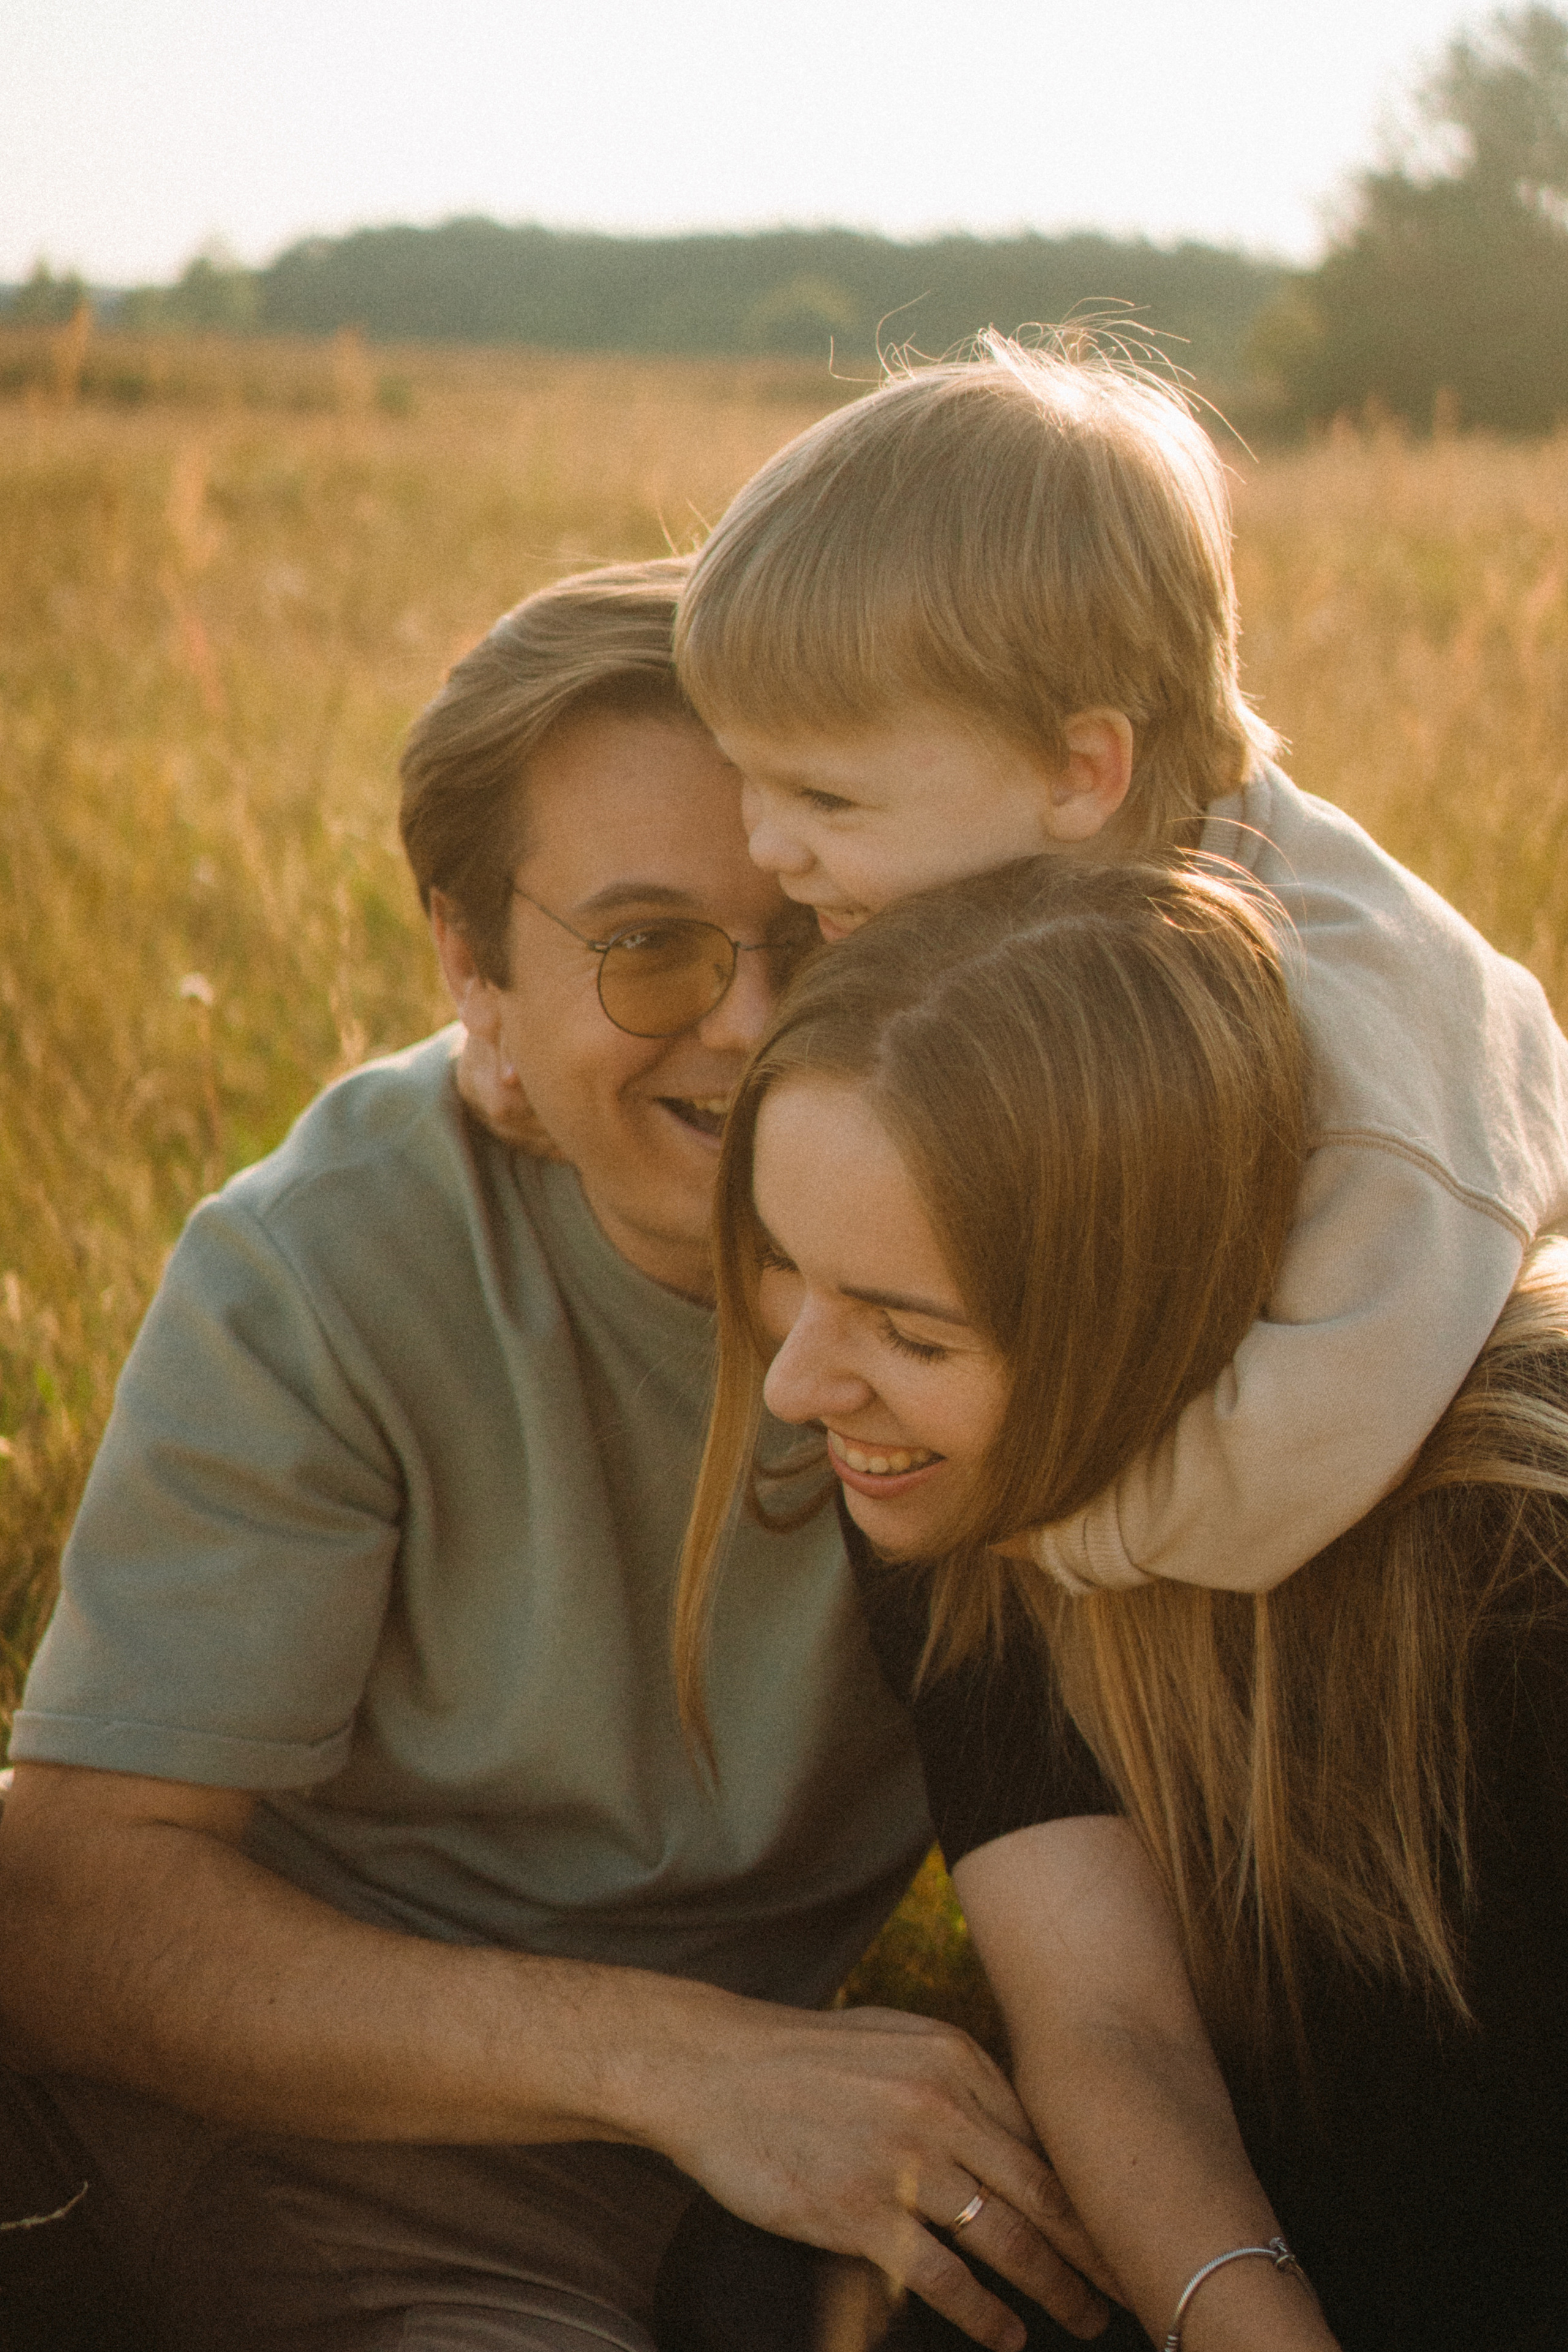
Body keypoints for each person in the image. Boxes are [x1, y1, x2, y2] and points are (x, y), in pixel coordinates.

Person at [0, 562, 1103, 2352]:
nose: (751, 1021)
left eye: (820, 930)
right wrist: (689, 2064)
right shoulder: (327, 1265)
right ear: (473, 968)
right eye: (647, 945)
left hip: (743, 2159)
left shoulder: (1006, 1254)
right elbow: (62, 1910)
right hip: (298, 2130)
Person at [678, 855, 1568, 2352]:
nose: (796, 1384)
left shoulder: (1514, 1552)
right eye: (785, 1268)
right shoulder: (947, 1498)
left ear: (1146, 1315)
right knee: (770, 2285)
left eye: (904, 1329)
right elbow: (1106, 2025)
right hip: (1272, 2228)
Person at [672, 330, 1568, 1599]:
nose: (769, 847)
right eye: (744, 779)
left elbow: (1296, 1451)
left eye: (822, 796)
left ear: (1079, 770)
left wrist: (1024, 1525)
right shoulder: (1008, 868)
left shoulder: (1350, 1032)